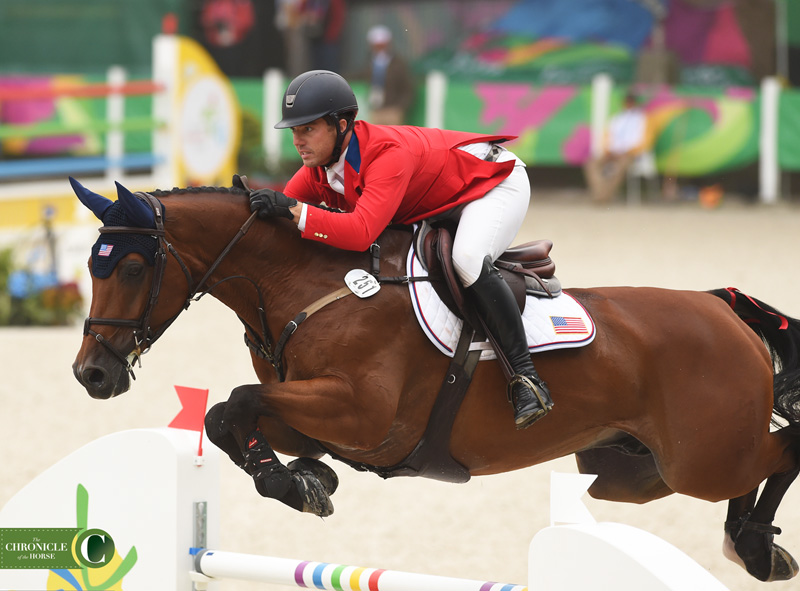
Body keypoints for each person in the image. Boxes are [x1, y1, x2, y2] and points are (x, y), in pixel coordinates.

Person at [248, 70, 553, 429]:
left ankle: (527, 379)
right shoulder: (320, 164)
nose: (298, 141)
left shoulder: (386, 155)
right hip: (441, 196)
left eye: (308, 129)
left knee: (467, 260)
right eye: (294, 131)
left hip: (494, 182)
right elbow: (285, 210)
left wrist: (294, 211)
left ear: (341, 125)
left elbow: (360, 232)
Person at [583, 91, 650, 203]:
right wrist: (608, 150)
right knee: (591, 164)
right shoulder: (617, 119)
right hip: (612, 153)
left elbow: (645, 141)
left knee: (618, 169)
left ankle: (602, 198)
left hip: (629, 154)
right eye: (627, 102)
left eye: (631, 102)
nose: (628, 104)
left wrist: (628, 151)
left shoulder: (643, 120)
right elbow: (607, 137)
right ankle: (600, 195)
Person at [358, 25, 415, 125]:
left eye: (382, 45)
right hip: (375, 109)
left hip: (392, 110)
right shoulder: (369, 62)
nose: (379, 49)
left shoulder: (398, 63)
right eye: (376, 45)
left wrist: (400, 107)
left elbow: (407, 87)